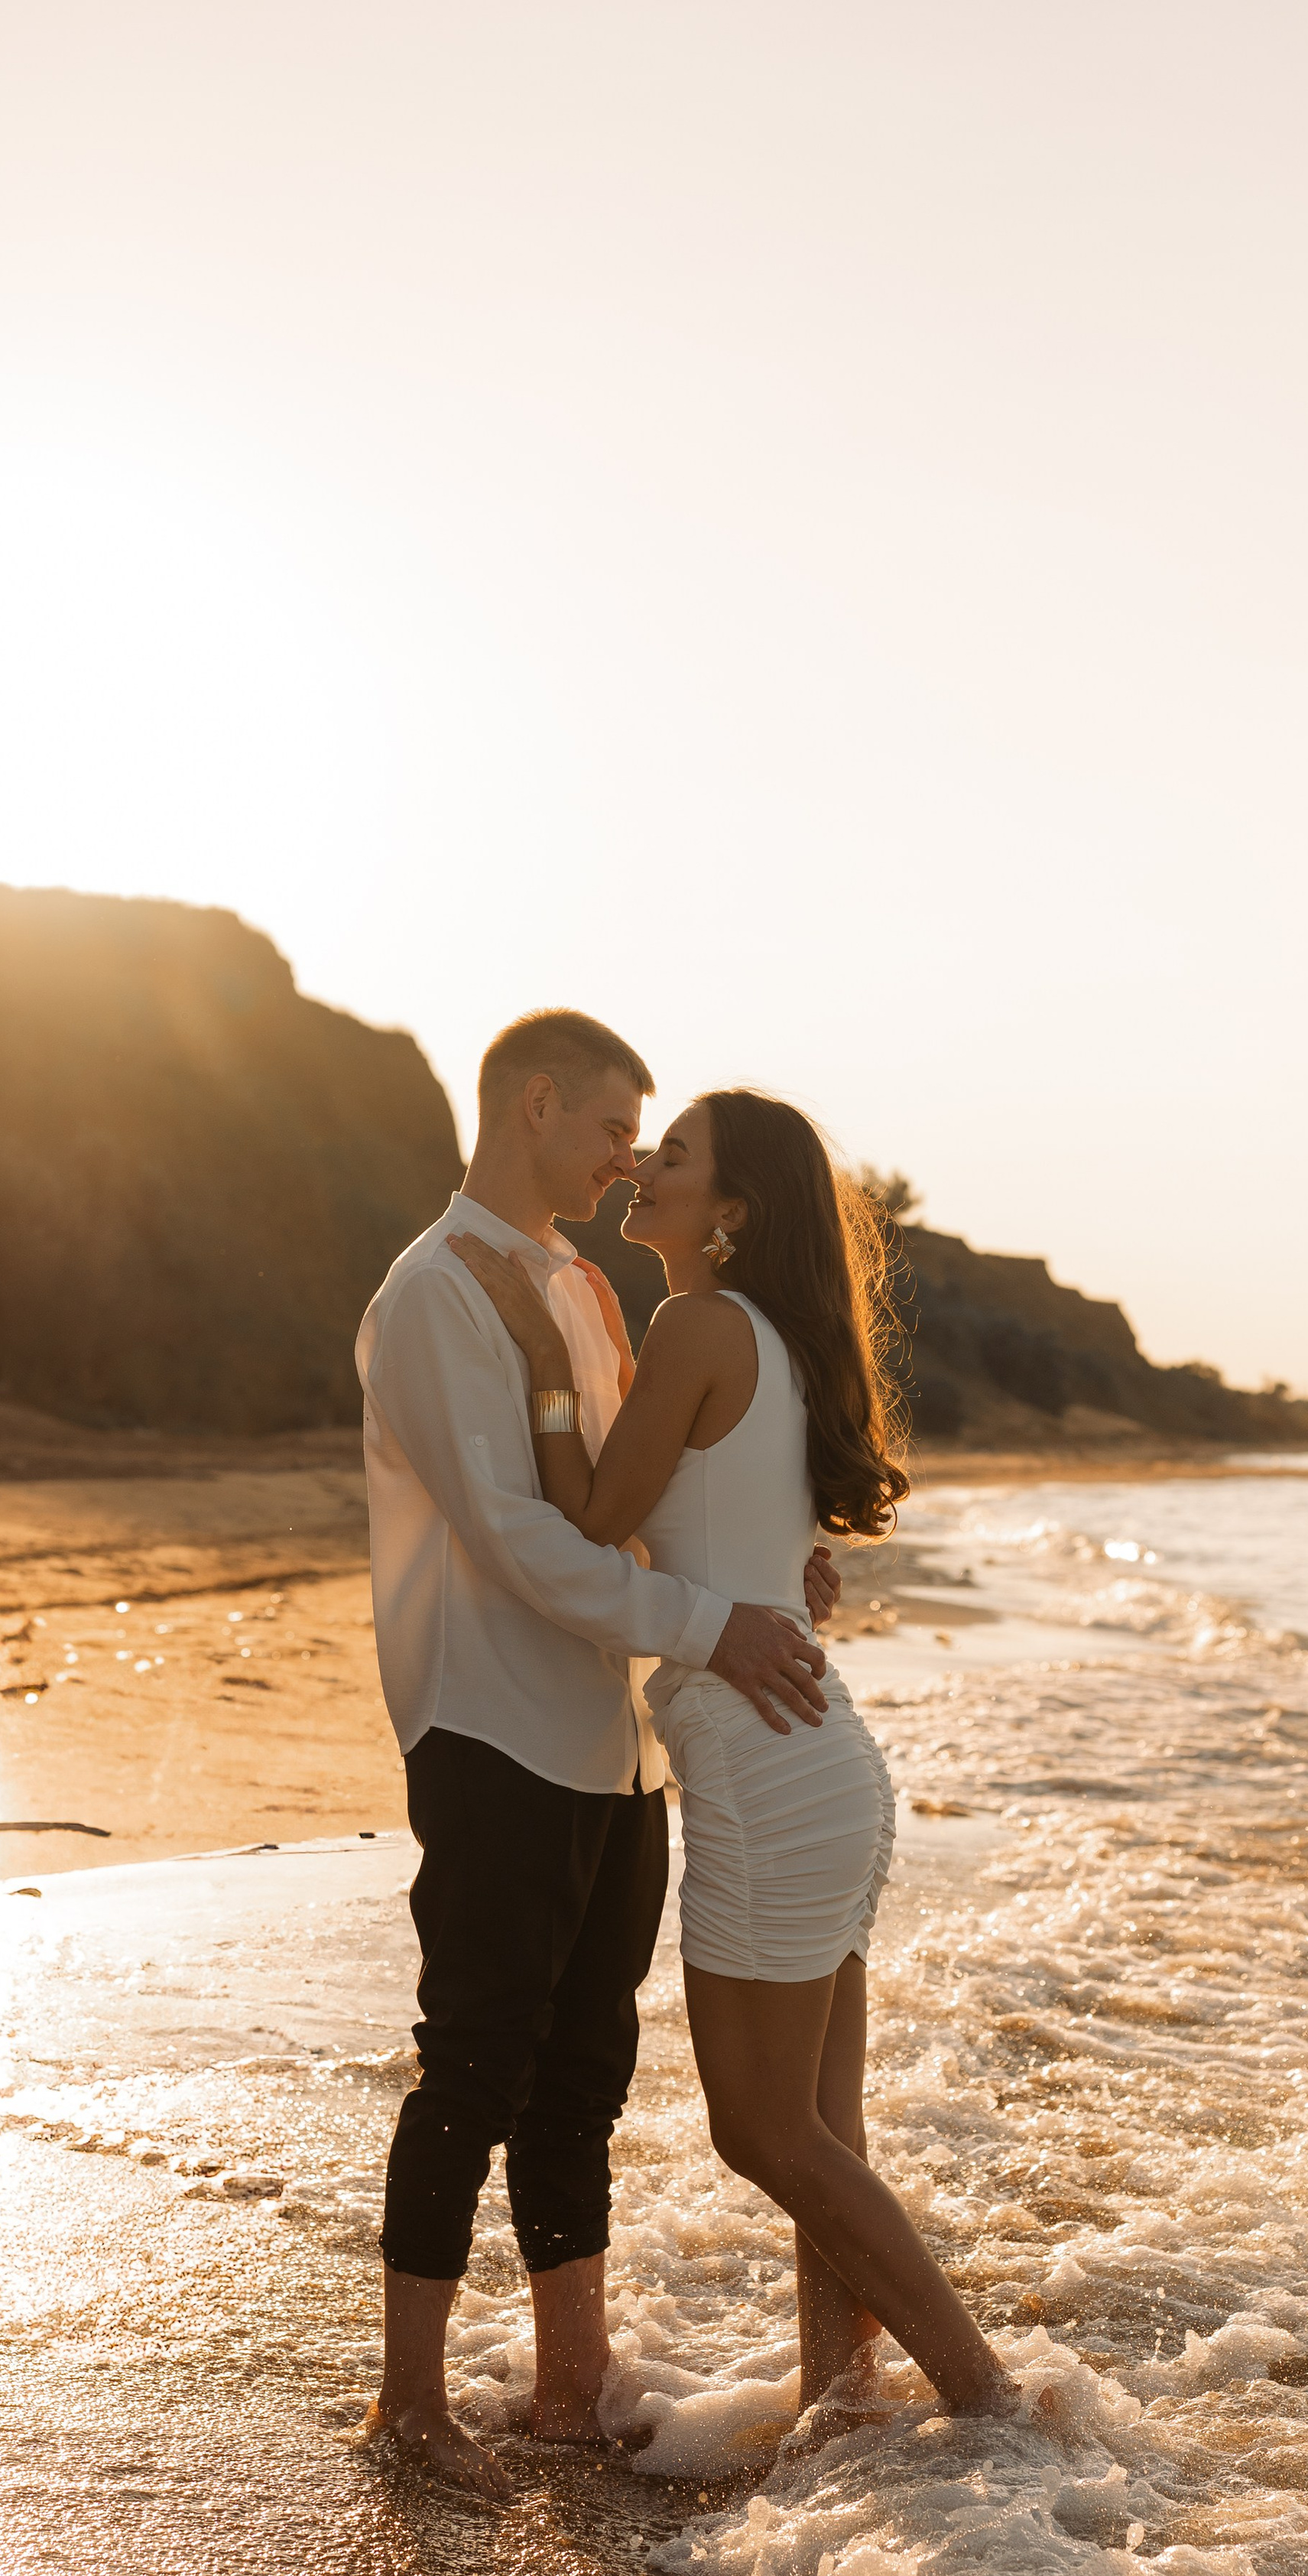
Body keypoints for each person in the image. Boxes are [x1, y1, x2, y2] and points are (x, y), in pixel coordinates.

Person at [451, 1087, 1018, 2439]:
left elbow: (593, 1519)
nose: (644, 1164)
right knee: (822, 2137)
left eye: (679, 1154)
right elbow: (735, 1544)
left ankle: (995, 2405)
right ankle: (847, 2408)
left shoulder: (696, 1324)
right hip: (824, 1760)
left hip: (772, 1775)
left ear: (735, 1211)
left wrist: (535, 1350)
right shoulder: (769, 1336)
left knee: (762, 2135)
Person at [356, 1012, 843, 2496]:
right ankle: (407, 2404)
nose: (628, 1158)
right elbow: (513, 1543)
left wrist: (772, 1567)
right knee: (472, 2069)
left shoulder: (576, 1284)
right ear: (535, 1103)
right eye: (613, 1129)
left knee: (582, 2079)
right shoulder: (434, 1292)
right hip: (490, 1724)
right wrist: (710, 1624)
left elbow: (631, 1499)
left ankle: (570, 2385)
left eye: (649, 1139)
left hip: (608, 1743)